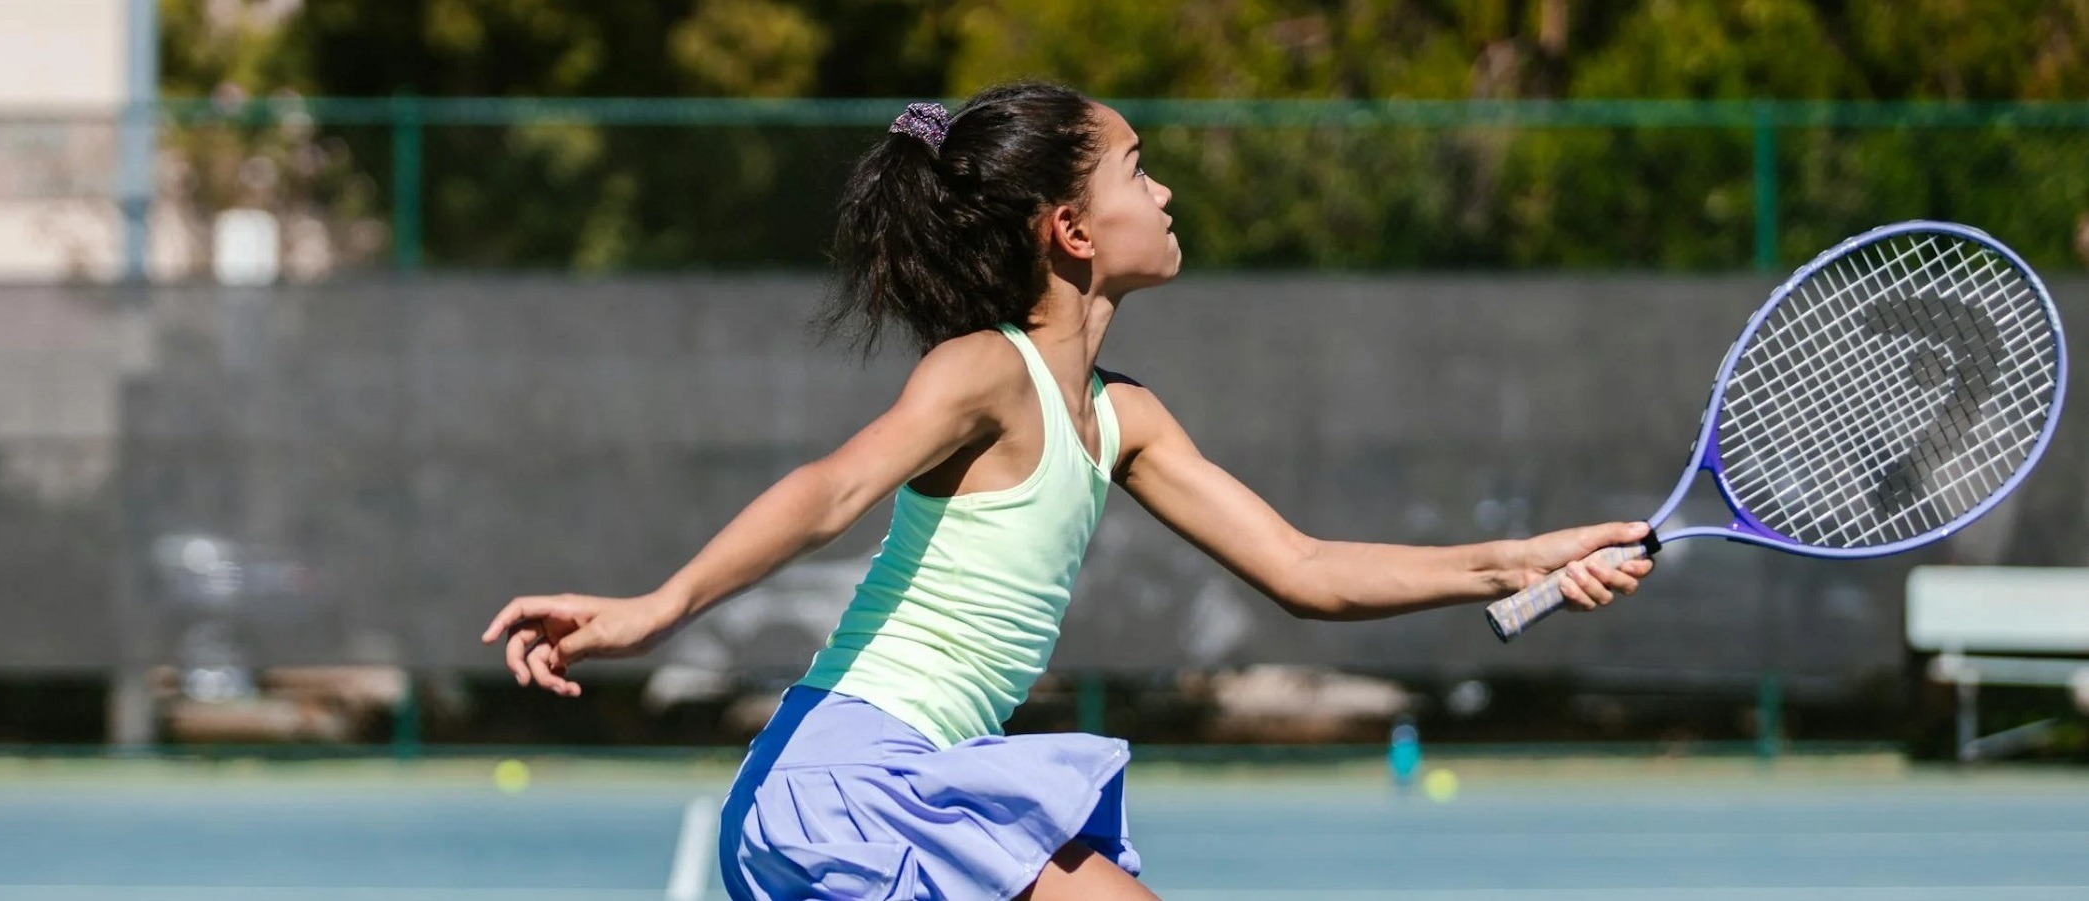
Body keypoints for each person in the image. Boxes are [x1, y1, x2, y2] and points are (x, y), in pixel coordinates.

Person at [480, 82, 1654, 901]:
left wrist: (1522, 561)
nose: (1169, 189)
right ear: (1073, 229)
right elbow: (831, 489)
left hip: (873, 794)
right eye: (1141, 169)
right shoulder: (984, 370)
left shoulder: (1121, 419)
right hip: (846, 786)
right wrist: (651, 609)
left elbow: (1305, 571)